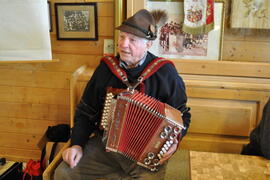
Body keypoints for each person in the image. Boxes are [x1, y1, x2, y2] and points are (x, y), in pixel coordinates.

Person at [54, 9, 191, 180]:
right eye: (122, 37)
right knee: (63, 174)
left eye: (132, 39)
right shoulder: (106, 68)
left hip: (144, 154)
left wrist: (174, 142)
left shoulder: (165, 73)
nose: (124, 44)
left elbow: (182, 115)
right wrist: (77, 145)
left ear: (148, 45)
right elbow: (86, 111)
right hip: (104, 148)